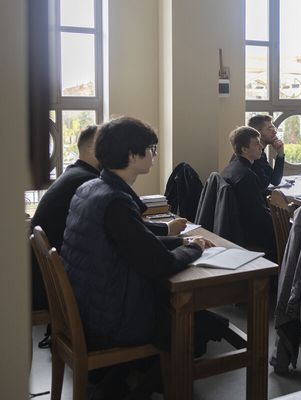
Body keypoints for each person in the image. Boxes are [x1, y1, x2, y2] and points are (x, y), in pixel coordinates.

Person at [60, 117, 226, 397]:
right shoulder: (116, 201)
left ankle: (126, 381)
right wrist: (194, 248)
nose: (154, 154)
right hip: (112, 319)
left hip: (89, 305)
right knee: (190, 320)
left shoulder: (91, 189)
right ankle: (155, 386)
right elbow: (158, 264)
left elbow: (135, 241)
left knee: (195, 318)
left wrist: (181, 240)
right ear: (131, 155)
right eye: (151, 148)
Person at [221, 126, 277, 259]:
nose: (261, 147)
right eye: (256, 144)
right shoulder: (246, 176)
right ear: (244, 149)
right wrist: (284, 219)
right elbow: (260, 217)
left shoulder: (231, 168)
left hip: (236, 228)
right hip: (250, 235)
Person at [237, 114, 285, 188]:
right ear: (257, 133)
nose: (275, 132)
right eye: (270, 128)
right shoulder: (252, 155)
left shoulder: (260, 153)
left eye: (273, 128)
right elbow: (264, 184)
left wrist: (280, 154)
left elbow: (275, 180)